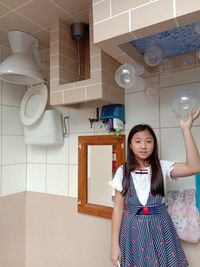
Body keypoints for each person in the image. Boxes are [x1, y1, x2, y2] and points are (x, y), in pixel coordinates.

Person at [110, 109, 200, 267]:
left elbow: (194, 167)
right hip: (132, 232)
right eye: (138, 141)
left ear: (154, 144)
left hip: (161, 229)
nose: (143, 146)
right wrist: (114, 245)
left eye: (148, 141)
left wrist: (186, 130)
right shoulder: (122, 172)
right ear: (130, 145)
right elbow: (118, 209)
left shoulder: (163, 167)